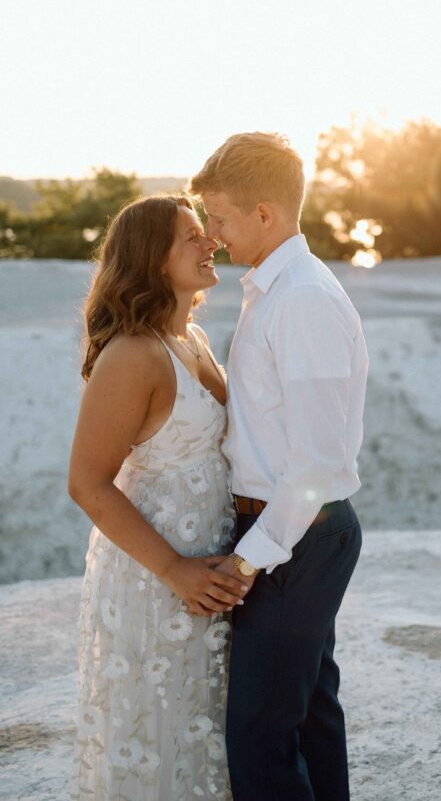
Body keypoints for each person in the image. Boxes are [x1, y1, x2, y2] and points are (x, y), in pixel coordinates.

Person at [189, 132, 369, 801]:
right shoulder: (276, 289)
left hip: (296, 537)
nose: (213, 234)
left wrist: (249, 558)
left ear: (264, 213)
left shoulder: (302, 300)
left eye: (220, 217)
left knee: (260, 738)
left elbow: (318, 463)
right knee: (309, 719)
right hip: (291, 535)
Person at [68, 194, 246, 801]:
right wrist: (175, 570)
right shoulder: (132, 355)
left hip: (209, 571)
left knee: (204, 728)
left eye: (207, 232)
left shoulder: (190, 336)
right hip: (155, 578)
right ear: (151, 259)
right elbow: (87, 483)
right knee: (158, 731)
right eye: (191, 236)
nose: (210, 243)